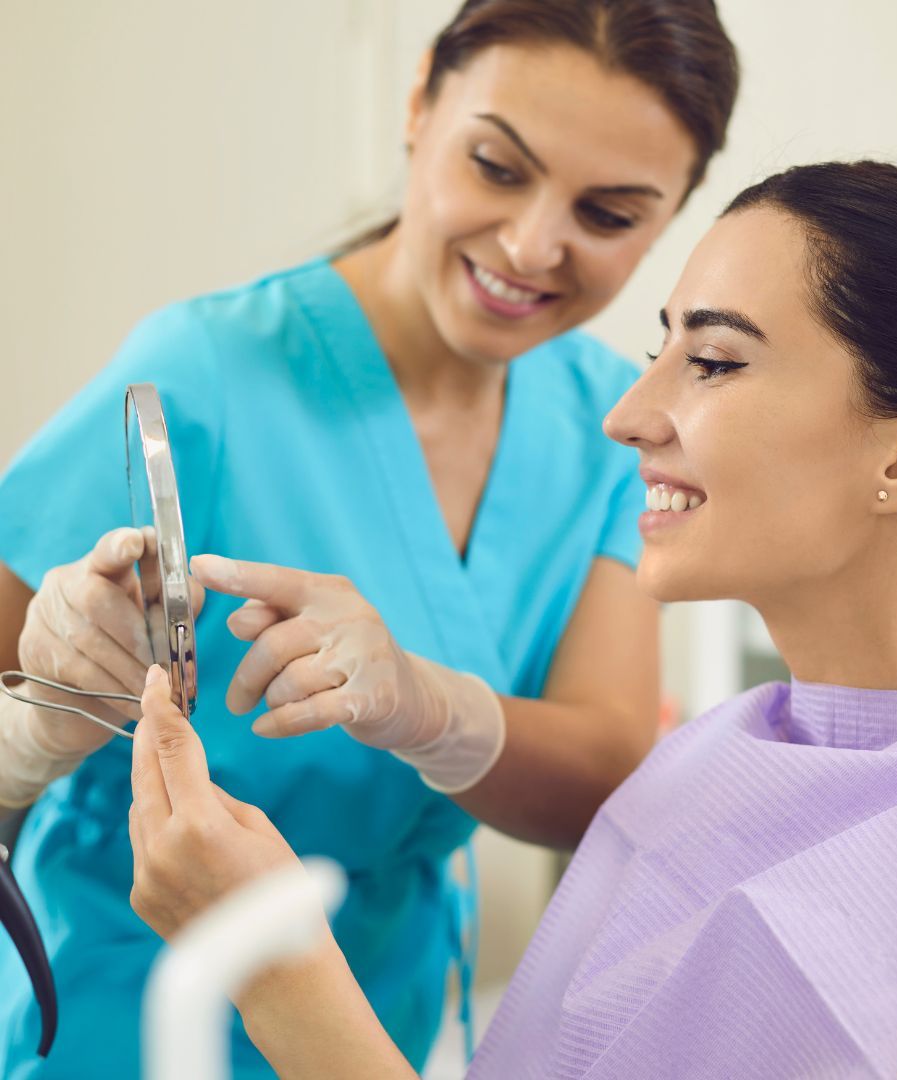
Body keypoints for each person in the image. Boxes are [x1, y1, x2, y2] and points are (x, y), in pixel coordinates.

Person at [131, 161, 897, 1079]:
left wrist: (281, 977)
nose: (627, 414)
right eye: (658, 352)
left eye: (711, 362)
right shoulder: (709, 763)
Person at [0, 2, 739, 1075]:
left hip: (371, 1023)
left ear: (673, 215)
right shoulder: (206, 372)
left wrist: (428, 708)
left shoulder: (614, 426)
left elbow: (603, 771)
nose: (534, 244)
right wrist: (41, 713)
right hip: (124, 1019)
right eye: (495, 166)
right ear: (418, 110)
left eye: (610, 213)